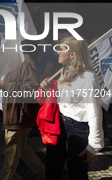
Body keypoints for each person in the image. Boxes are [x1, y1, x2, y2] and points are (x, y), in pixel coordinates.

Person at [40, 36, 104, 180]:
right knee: (52, 169)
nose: (57, 52)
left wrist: (93, 145)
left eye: (61, 49)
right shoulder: (64, 71)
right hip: (60, 125)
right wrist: (48, 86)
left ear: (72, 54)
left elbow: (94, 113)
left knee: (77, 173)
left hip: (78, 129)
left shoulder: (89, 77)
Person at [0, 53, 46, 180]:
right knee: (22, 149)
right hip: (10, 113)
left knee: (11, 153)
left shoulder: (26, 62)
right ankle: (44, 173)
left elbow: (32, 89)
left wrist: (7, 86)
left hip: (19, 116)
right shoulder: (6, 61)